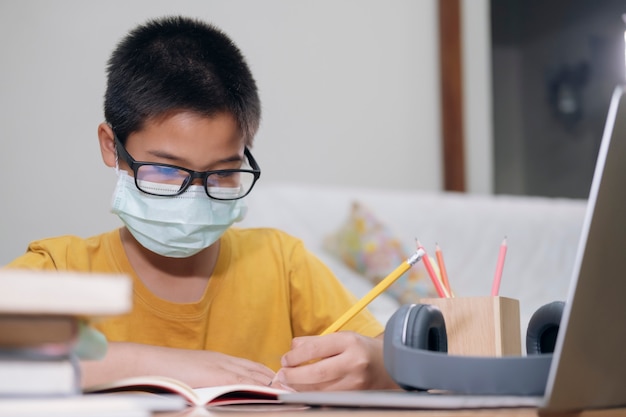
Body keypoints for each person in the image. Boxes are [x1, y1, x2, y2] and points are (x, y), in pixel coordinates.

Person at [5, 15, 398, 392]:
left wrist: (379, 367)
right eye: (166, 170)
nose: (194, 196)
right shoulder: (60, 270)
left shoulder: (283, 264)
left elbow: (396, 365)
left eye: (222, 172)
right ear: (112, 147)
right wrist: (148, 363)